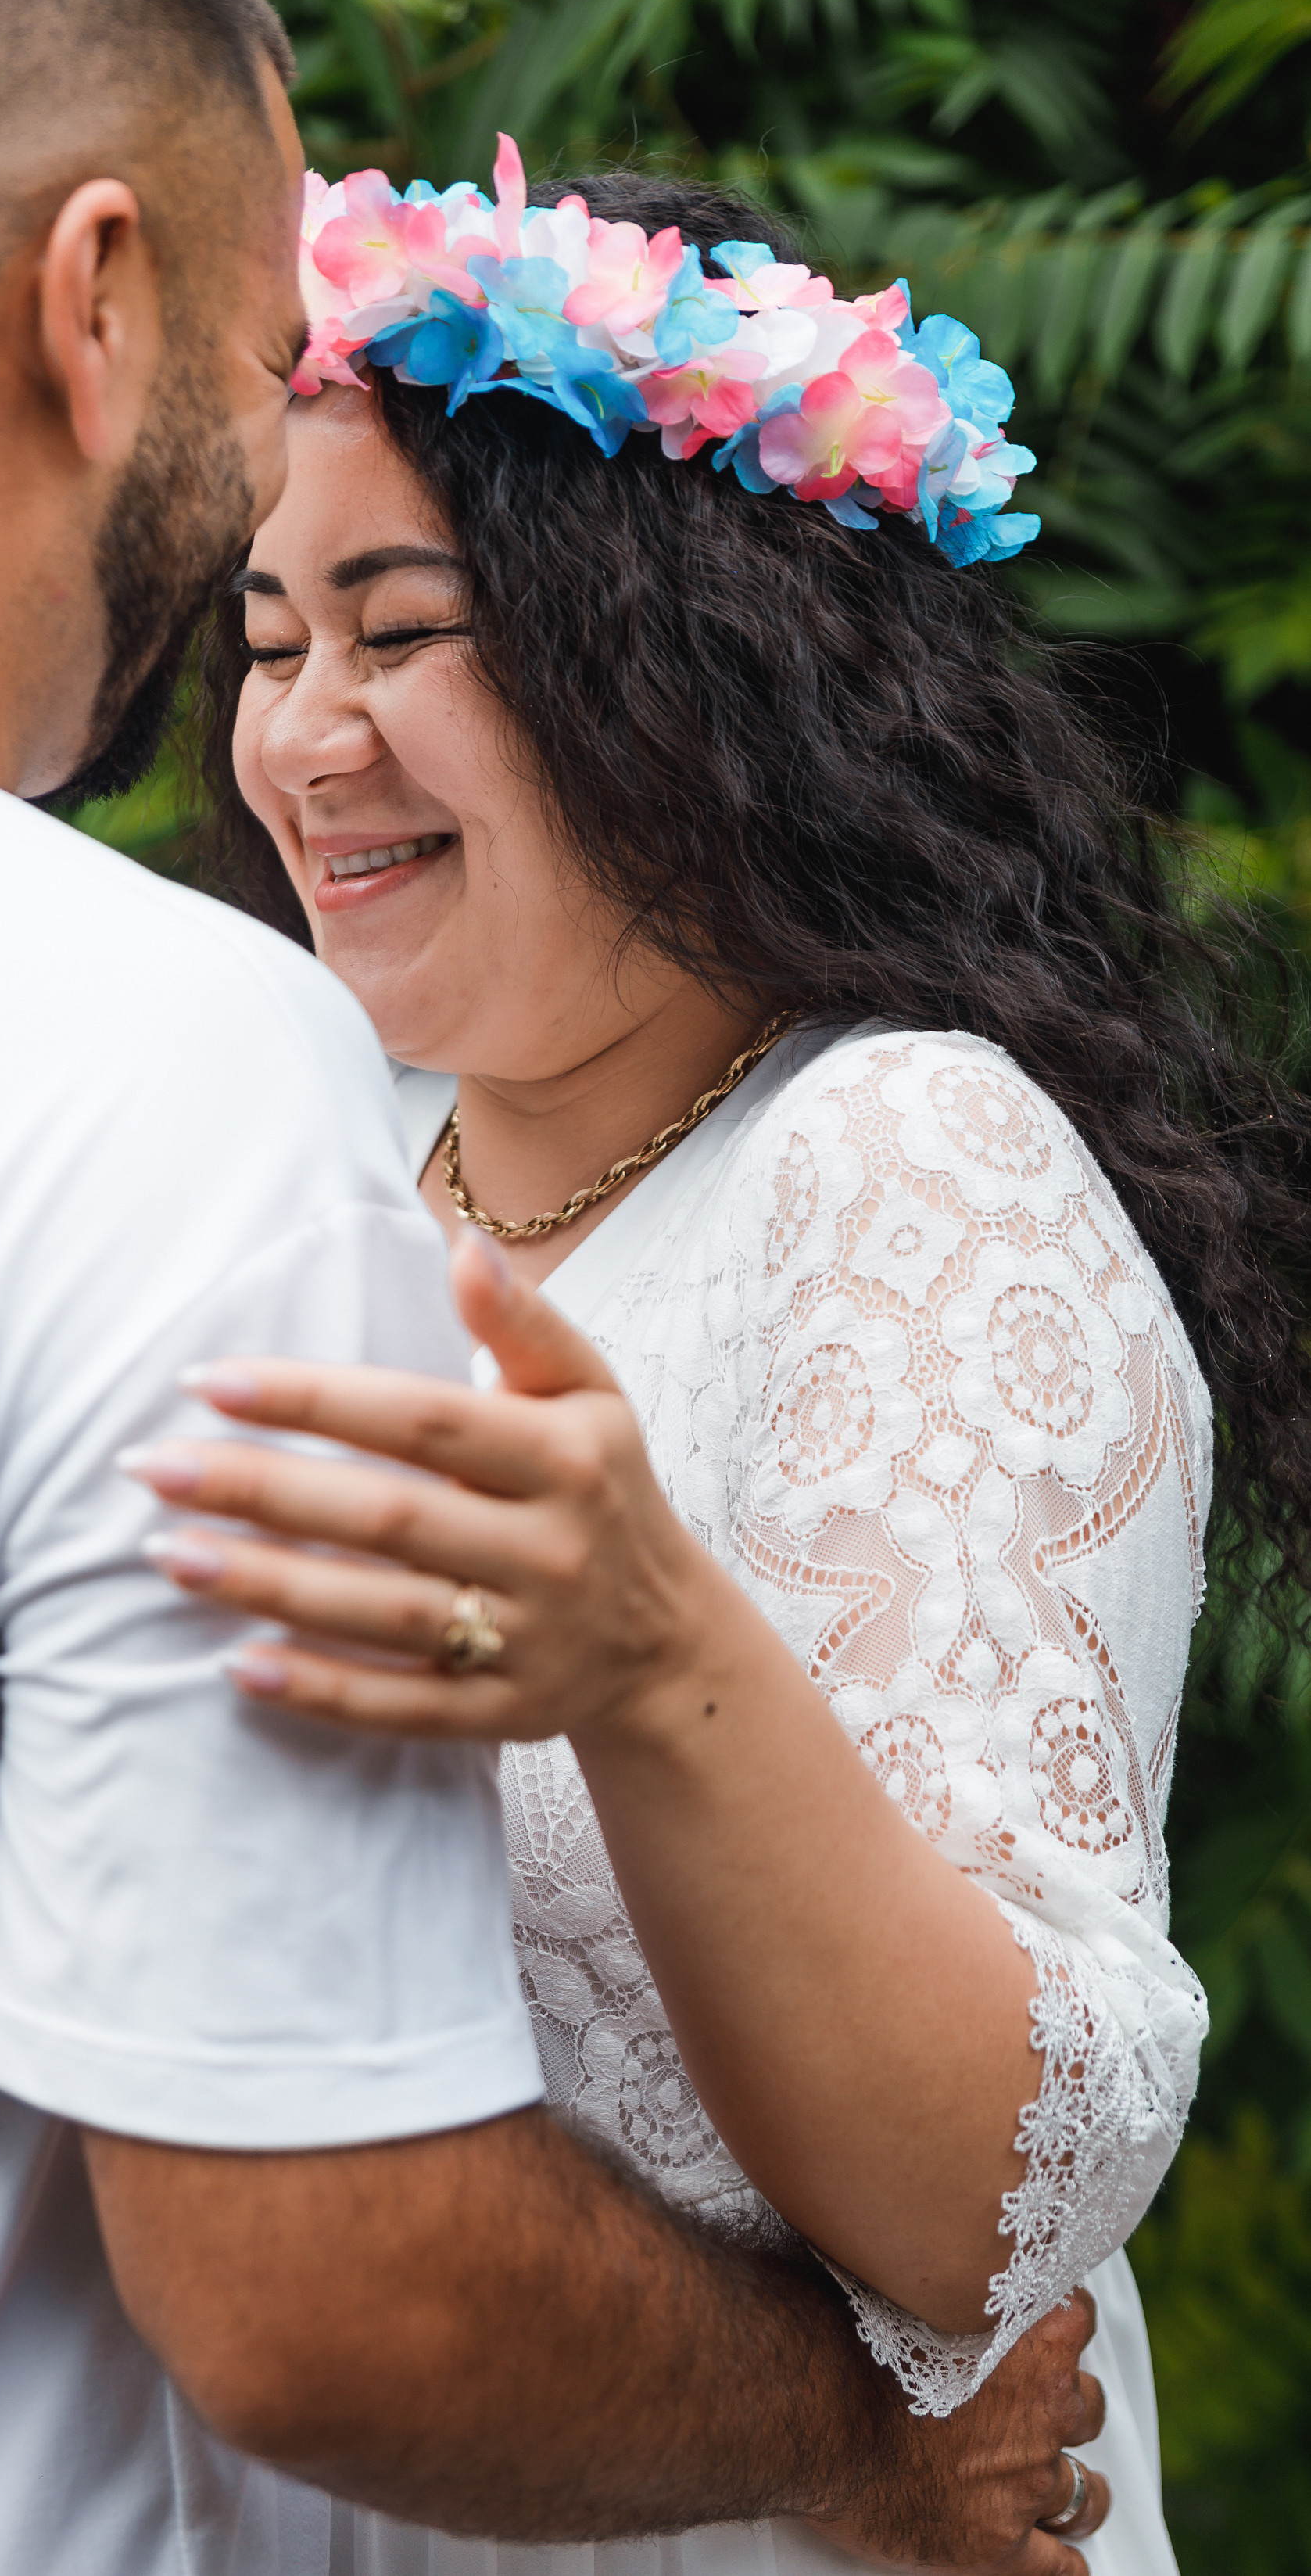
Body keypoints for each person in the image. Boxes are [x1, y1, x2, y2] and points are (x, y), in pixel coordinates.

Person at [0, 0, 1112, 2575]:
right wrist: (854, 2442)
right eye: (262, 361)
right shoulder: (141, 1061)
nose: (294, 716)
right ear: (93, 296)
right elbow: (315, 2284)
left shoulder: (870, 1153)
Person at [129, 145, 1311, 2573]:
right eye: (268, 643)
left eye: (398, 627)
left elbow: (985, 2205)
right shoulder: (305, 1139)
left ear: (669, 656)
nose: (307, 740)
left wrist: (648, 1650)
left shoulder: (901, 1160)